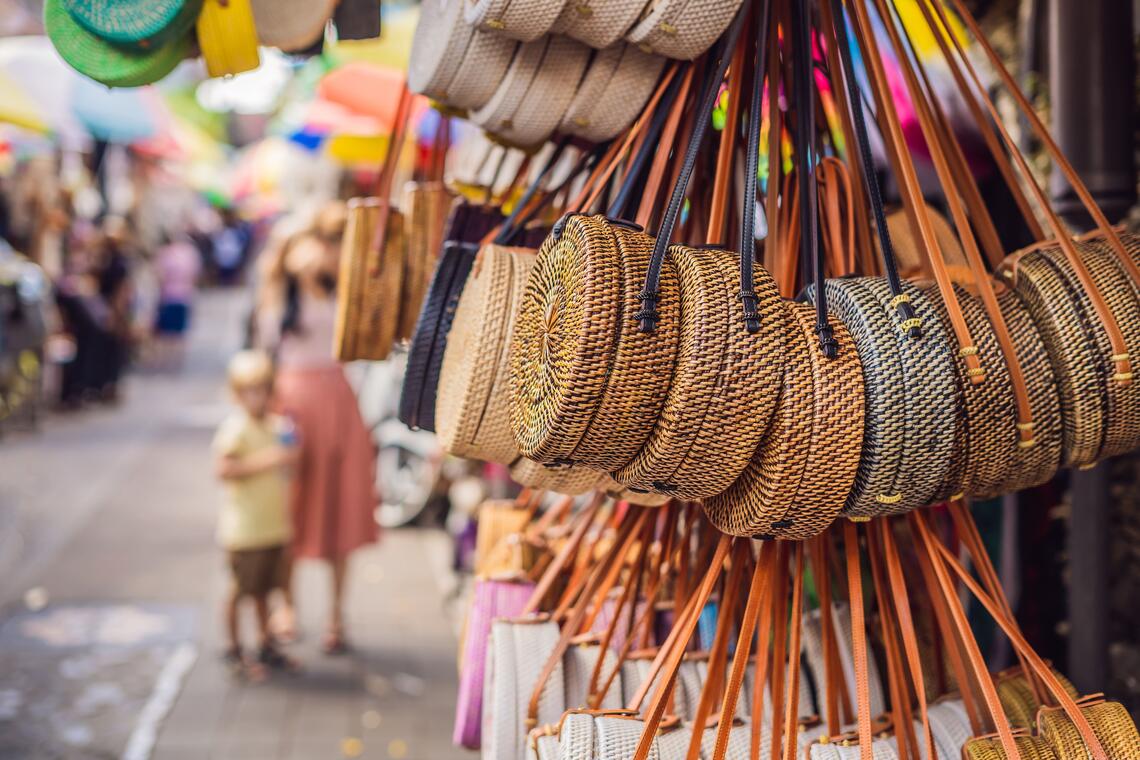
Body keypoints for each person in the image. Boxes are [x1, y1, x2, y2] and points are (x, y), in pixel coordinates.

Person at [255, 202, 377, 654]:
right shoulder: (276, 296)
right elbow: (262, 358)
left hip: (337, 402)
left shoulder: (340, 290)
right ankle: (285, 606)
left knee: (340, 507)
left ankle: (336, 616)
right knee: (292, 509)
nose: (314, 257)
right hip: (291, 407)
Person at [214, 350, 300, 677]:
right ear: (237, 395)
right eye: (249, 391)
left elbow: (291, 459)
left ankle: (265, 644)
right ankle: (233, 648)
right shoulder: (235, 430)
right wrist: (270, 459)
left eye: (262, 389)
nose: (257, 398)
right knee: (240, 591)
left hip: (272, 526)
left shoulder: (279, 426)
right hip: (244, 530)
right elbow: (224, 468)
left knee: (266, 590)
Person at [151, 231, 201, 369]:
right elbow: (195, 276)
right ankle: (176, 362)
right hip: (185, 296)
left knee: (164, 333)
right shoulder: (190, 253)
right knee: (179, 332)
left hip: (168, 296)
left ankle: (163, 361)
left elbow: (159, 276)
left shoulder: (165, 253)